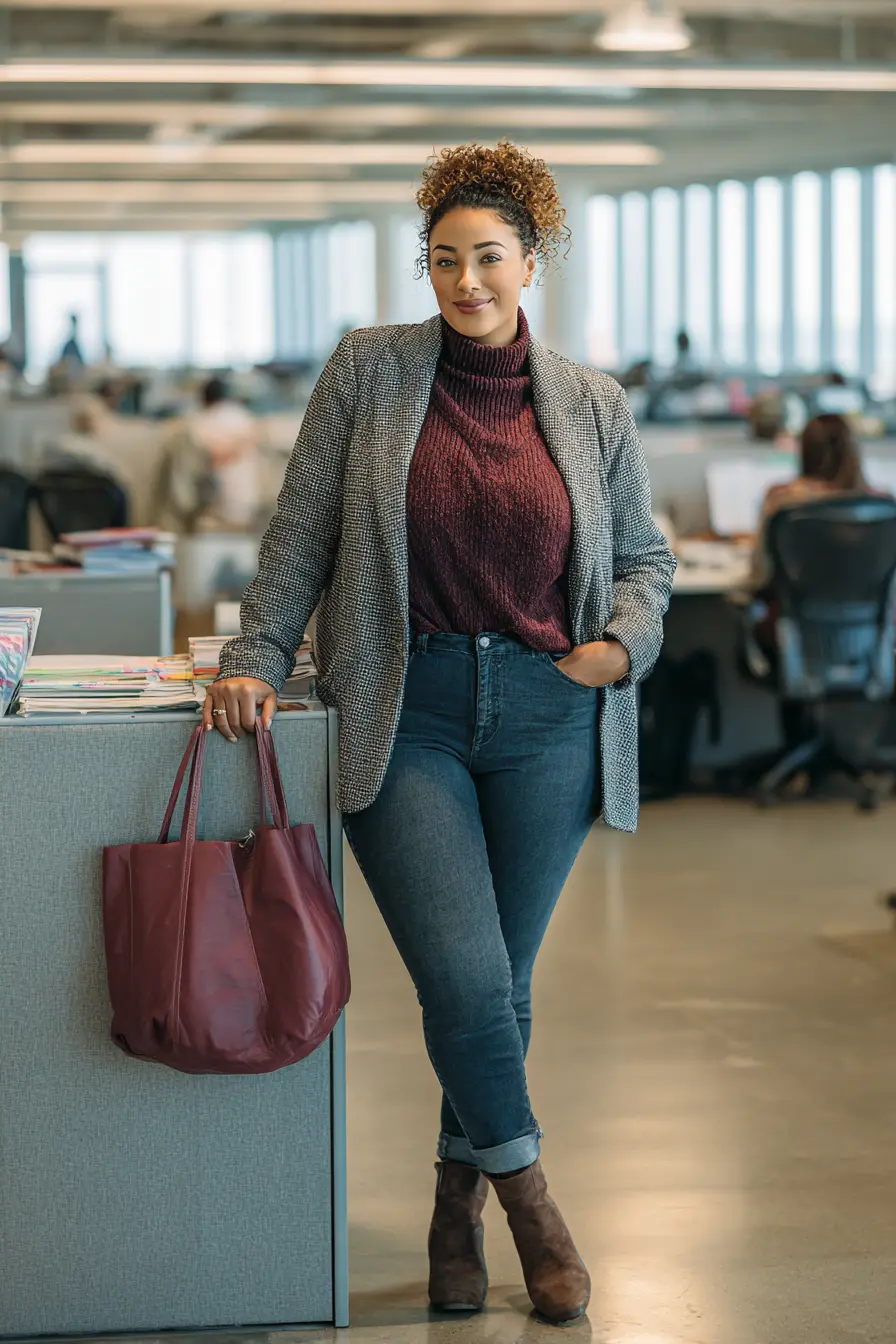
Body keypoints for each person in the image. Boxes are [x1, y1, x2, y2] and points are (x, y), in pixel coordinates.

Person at [206, 140, 675, 1326]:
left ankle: (450, 1212)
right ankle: (532, 1209)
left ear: (531, 262)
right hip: (402, 709)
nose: (465, 280)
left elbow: (643, 557)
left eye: (487, 257)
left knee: (500, 988)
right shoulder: (369, 370)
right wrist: (254, 656)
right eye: (443, 258)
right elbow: (301, 532)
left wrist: (618, 646)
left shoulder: (591, 402)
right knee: (463, 977)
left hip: (545, 714)